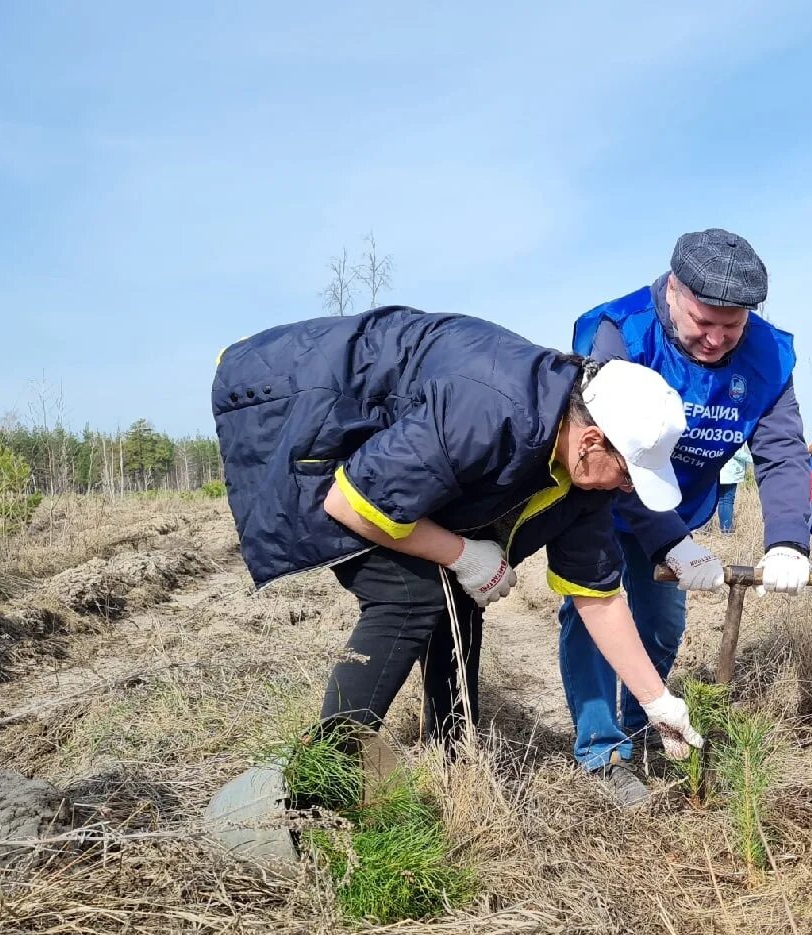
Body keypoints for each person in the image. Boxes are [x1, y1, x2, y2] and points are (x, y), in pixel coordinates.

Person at [212, 307, 704, 788]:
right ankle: (321, 782)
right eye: (627, 473)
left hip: (382, 433)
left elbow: (596, 595)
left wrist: (658, 702)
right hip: (294, 406)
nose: (626, 490)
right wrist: (462, 555)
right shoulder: (491, 411)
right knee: (408, 595)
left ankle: (451, 753)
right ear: (591, 440)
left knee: (454, 591)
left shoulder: (580, 475)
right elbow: (351, 503)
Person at [566, 229, 812, 806]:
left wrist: (787, 541)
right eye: (704, 321)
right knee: (596, 615)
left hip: (674, 508)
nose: (716, 339)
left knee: (659, 623)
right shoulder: (618, 334)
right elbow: (602, 449)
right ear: (673, 289)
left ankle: (644, 721)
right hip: (601, 498)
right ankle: (602, 752)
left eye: (733, 326)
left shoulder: (768, 356)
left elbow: (780, 451)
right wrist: (667, 540)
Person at [714, 445, 752, 534]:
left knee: (712, 500)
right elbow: (735, 451)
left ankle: (702, 529)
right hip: (729, 470)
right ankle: (726, 531)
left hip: (714, 468)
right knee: (726, 500)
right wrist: (752, 459)